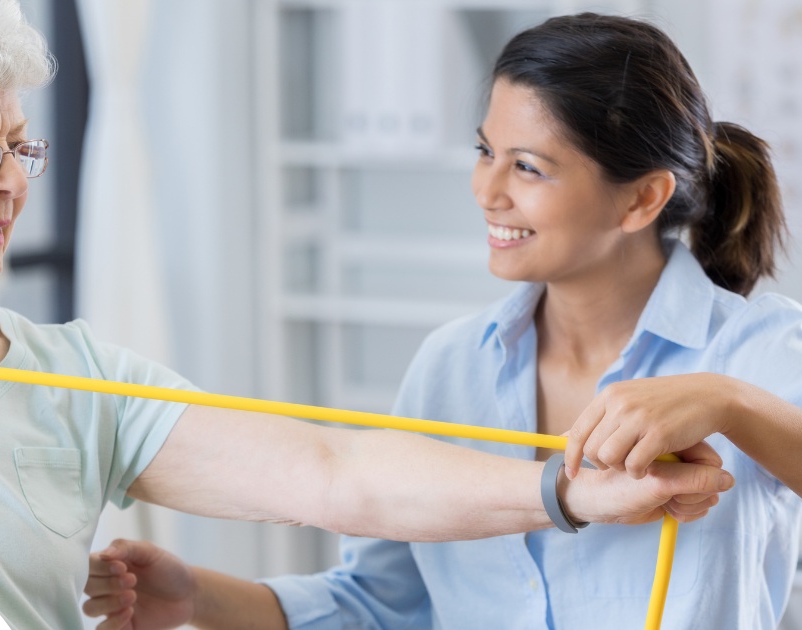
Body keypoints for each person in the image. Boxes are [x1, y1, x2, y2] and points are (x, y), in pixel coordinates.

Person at [0, 4, 733, 629]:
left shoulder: (74, 373)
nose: (10, 182)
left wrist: (565, 490)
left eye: (19, 145)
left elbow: (335, 473)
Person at [82, 12, 802, 630]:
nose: (485, 191)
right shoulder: (452, 363)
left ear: (642, 199)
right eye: (486, 151)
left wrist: (727, 402)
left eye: (529, 167)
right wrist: (193, 596)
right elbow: (381, 605)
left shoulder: (753, 352)